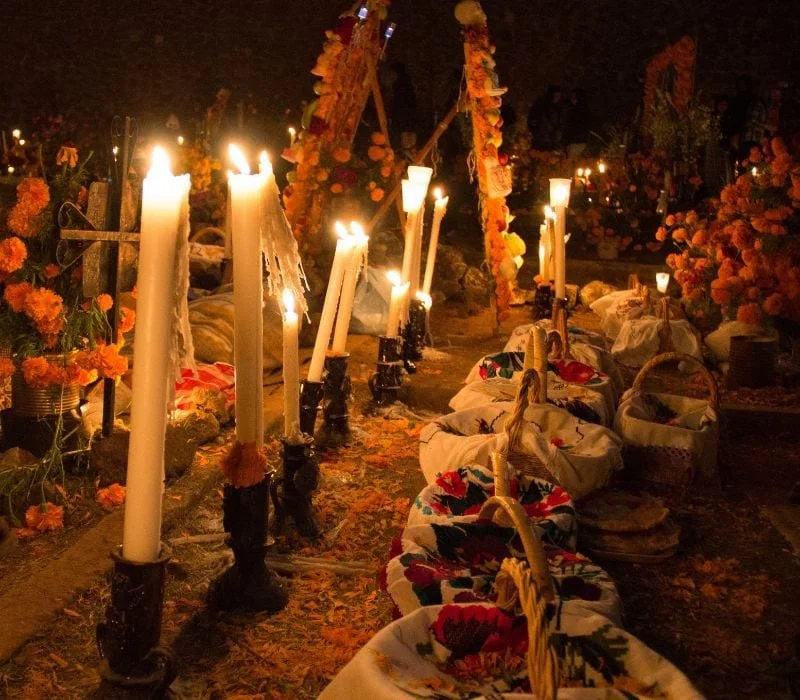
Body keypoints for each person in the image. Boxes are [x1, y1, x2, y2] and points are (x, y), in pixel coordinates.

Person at [527, 85, 564, 151]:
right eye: (556, 96)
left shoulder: (557, 108)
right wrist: (535, 131)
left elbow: (559, 122)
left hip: (551, 139)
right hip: (540, 137)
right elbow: (533, 119)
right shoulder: (541, 105)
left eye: (559, 96)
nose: (557, 98)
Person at [564, 88, 590, 158]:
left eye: (574, 97)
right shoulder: (571, 109)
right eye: (571, 97)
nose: (572, 99)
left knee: (574, 161)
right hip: (575, 140)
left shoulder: (580, 111)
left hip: (577, 140)